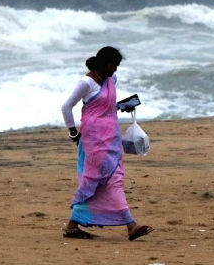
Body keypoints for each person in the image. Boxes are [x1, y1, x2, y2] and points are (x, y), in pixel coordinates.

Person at [60, 46, 154, 241]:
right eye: (114, 66)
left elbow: (106, 105)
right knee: (103, 181)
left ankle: (72, 226)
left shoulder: (112, 80)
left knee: (105, 180)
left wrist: (123, 106)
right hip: (94, 142)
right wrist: (72, 132)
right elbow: (66, 106)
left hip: (111, 139)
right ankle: (131, 225)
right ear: (104, 64)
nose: (116, 70)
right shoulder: (86, 83)